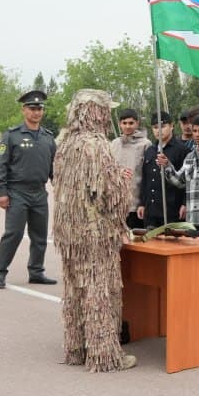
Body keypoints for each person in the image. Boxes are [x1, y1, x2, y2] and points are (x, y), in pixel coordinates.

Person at [53, 89, 136, 372]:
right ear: (97, 112)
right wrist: (123, 182)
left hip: (69, 230)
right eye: (105, 111)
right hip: (94, 232)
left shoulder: (64, 144)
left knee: (75, 288)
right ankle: (104, 355)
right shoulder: (97, 146)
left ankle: (77, 348)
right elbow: (109, 195)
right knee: (99, 290)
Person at [0, 90, 57, 289]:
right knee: (14, 233)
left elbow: (54, 166)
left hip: (39, 192)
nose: (36, 112)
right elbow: (1, 165)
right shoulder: (11, 135)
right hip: (17, 192)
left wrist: (59, 185)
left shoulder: (47, 137)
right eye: (32, 108)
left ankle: (36, 271)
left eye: (39, 109)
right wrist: (1, 192)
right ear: (24, 110)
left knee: (40, 235)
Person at [137, 111, 189, 230]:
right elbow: (145, 180)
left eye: (163, 126)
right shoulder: (150, 151)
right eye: (155, 127)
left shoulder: (182, 150)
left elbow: (187, 180)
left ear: (171, 126)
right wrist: (142, 203)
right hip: (151, 210)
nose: (158, 130)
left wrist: (185, 203)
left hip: (172, 210)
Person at [110, 108, 152, 230]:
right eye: (124, 123)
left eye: (131, 123)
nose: (127, 126)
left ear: (137, 123)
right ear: (119, 124)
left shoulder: (146, 144)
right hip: (116, 204)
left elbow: (148, 176)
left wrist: (143, 203)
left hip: (136, 204)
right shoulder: (114, 144)